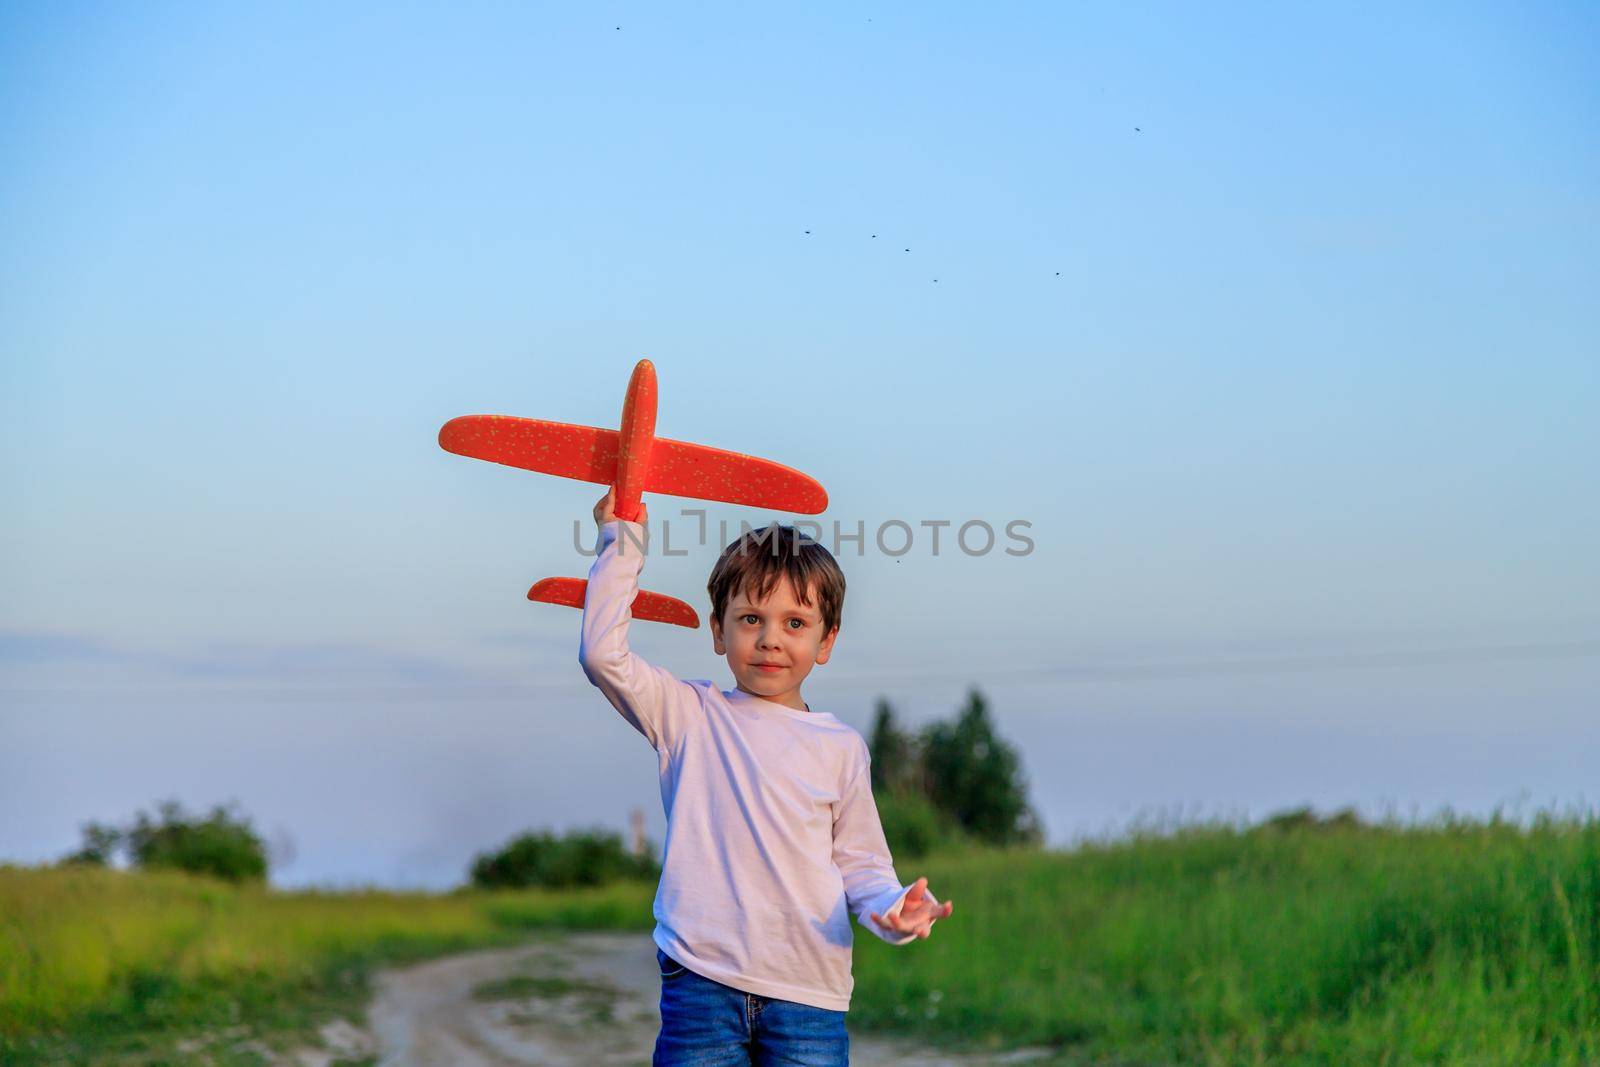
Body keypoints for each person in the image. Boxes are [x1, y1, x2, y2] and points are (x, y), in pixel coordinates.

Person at [579, 488, 954, 1066]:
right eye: (751, 618)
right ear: (717, 631)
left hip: (809, 993)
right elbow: (603, 656)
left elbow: (861, 863)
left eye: (795, 622)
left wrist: (893, 911)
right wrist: (621, 540)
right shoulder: (688, 716)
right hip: (701, 982)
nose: (770, 638)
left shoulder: (841, 747)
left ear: (826, 641)